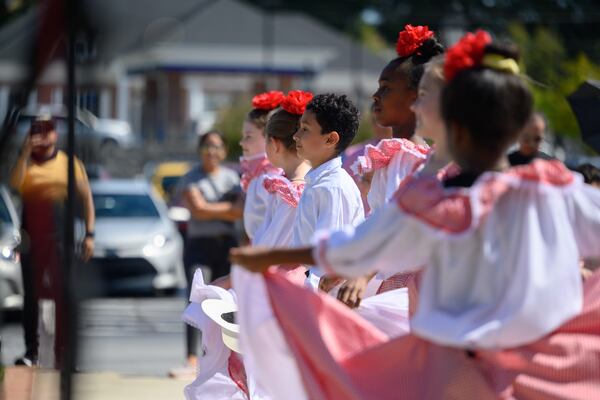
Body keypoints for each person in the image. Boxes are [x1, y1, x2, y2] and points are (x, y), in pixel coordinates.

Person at [231, 31, 600, 399]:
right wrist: (278, 257)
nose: (419, 107)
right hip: (471, 369)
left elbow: (365, 245)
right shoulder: (527, 192)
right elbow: (365, 244)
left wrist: (275, 257)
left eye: (425, 99)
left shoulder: (470, 198)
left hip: (475, 370)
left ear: (456, 120)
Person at [183, 91, 313, 400]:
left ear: (273, 142)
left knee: (265, 370)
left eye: (250, 136)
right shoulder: (273, 182)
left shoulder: (285, 186)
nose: (242, 143)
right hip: (268, 276)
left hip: (275, 283)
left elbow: (273, 244)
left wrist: (239, 275)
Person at [9, 114, 95, 368]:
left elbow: (86, 198)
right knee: (32, 296)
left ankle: (64, 353)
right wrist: (25, 152)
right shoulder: (26, 164)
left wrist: (89, 234)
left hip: (62, 239)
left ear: (56, 134)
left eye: (48, 130)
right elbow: (14, 185)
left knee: (64, 295)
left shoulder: (69, 164)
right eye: (37, 130)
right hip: (31, 239)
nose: (42, 135)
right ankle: (31, 352)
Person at [175, 130, 242, 375]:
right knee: (197, 296)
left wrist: (210, 208)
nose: (211, 151)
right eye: (207, 146)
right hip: (199, 245)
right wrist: (227, 209)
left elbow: (238, 211)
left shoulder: (233, 178)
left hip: (227, 245)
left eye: (216, 146)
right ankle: (191, 357)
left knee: (226, 299)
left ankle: (223, 358)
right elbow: (198, 210)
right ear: (200, 149)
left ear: (224, 152)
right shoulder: (190, 178)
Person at [290, 93, 364, 293]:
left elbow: (329, 261)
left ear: (331, 139)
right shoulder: (319, 183)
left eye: (305, 129)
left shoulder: (333, 188)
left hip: (324, 300)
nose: (296, 136)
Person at [239, 91, 284, 242]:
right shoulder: (259, 175)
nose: (242, 142)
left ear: (270, 139)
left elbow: (279, 224)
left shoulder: (271, 178)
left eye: (248, 136)